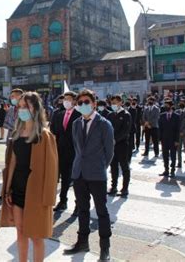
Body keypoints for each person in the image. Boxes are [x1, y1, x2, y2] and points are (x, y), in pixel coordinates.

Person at [0, 92, 58, 262]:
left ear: (36, 108)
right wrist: (8, 189)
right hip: (17, 190)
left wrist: (47, 199)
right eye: (20, 107)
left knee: (36, 236)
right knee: (20, 230)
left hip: (36, 193)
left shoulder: (45, 136)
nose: (22, 110)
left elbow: (52, 171)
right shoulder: (17, 134)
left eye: (26, 106)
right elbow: (13, 165)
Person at [64, 89, 114, 261]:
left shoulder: (104, 124)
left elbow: (109, 152)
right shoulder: (76, 123)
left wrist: (99, 166)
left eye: (87, 102)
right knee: (82, 210)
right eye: (80, 103)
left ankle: (105, 248)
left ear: (94, 103)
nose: (83, 105)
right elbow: (77, 148)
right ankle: (82, 242)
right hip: (79, 174)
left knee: (101, 212)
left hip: (97, 174)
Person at [51, 91, 81, 212]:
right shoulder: (59, 114)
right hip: (61, 151)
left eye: (68, 99)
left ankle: (79, 204)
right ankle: (63, 201)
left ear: (74, 101)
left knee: (77, 180)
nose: (66, 102)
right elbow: (54, 130)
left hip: (75, 152)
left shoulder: (79, 114)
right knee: (65, 178)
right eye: (64, 99)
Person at [107, 95, 132, 198]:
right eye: (112, 103)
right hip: (112, 146)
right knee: (113, 167)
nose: (114, 105)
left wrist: (114, 140)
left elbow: (125, 131)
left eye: (116, 102)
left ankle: (125, 188)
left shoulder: (126, 115)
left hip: (122, 145)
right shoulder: (110, 115)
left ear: (121, 102)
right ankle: (114, 187)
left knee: (124, 166)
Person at [158, 100, 180, 178]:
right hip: (164, 139)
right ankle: (166, 170)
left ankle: (172, 170)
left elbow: (178, 129)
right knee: (165, 155)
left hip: (173, 139)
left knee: (173, 155)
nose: (165, 107)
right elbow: (160, 128)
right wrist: (160, 139)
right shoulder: (162, 115)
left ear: (171, 106)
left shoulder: (176, 116)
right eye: (165, 105)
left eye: (167, 105)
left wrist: (177, 140)